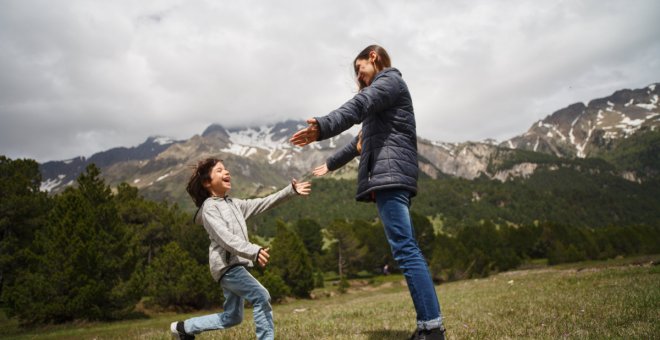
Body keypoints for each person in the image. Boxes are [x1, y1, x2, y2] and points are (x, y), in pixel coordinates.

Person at [290, 45, 445, 340]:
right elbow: (359, 142)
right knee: (404, 247)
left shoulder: (389, 81)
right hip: (388, 176)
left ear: (373, 56)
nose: (359, 77)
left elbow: (356, 106)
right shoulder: (382, 98)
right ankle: (429, 325)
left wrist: (323, 126)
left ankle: (432, 328)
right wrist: (330, 164)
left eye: (359, 69)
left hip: (390, 177)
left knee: (405, 248)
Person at [170, 158, 311, 340]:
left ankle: (184, 328)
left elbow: (263, 202)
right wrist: (254, 251)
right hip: (227, 267)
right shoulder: (209, 209)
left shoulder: (234, 204)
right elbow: (226, 238)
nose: (226, 172)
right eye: (219, 170)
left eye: (226, 169)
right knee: (261, 296)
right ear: (207, 182)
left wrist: (290, 191)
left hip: (234, 265)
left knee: (233, 317)